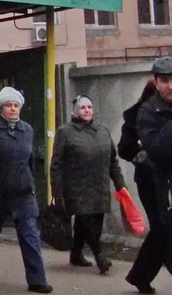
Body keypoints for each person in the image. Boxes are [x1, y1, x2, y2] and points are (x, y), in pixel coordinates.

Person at [0, 87, 53, 293]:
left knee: (30, 235)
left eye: (16, 106)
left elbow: (29, 161)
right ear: (1, 108)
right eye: (9, 105)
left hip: (23, 192)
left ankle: (37, 280)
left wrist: (32, 185)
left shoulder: (27, 130)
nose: (13, 109)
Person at [50, 95, 126, 273]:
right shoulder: (65, 132)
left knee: (94, 221)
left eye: (89, 107)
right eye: (83, 107)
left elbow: (112, 161)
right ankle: (100, 257)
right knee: (86, 219)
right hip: (76, 187)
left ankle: (76, 254)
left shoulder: (102, 130)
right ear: (75, 111)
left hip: (99, 185)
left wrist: (120, 184)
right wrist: (57, 191)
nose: (87, 110)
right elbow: (57, 164)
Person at [118, 79, 171, 294]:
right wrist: (143, 153)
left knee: (162, 229)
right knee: (163, 228)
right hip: (149, 178)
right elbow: (124, 149)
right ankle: (140, 277)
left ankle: (139, 276)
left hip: (166, 176)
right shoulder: (138, 116)